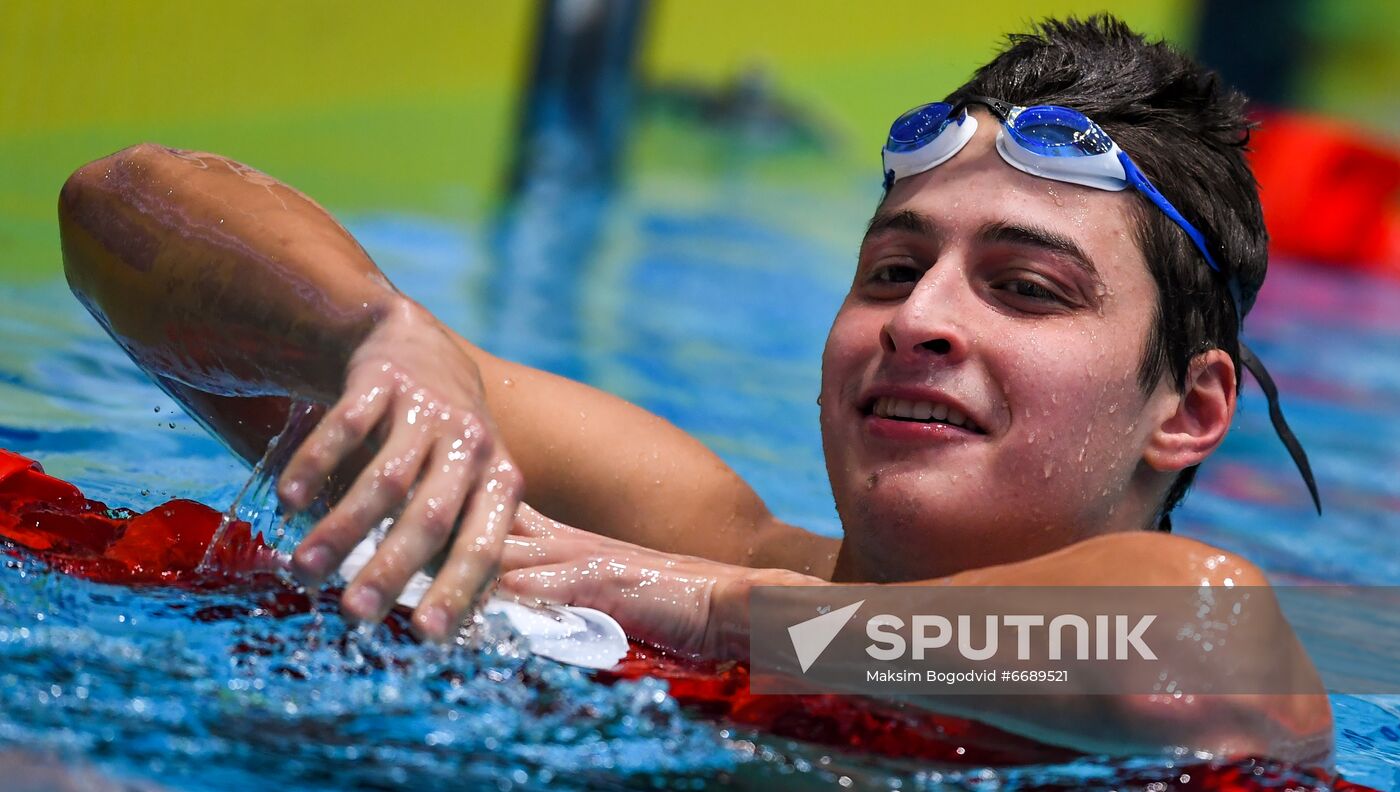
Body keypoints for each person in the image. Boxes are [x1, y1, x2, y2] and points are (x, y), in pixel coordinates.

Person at [57, 16, 1330, 760]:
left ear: (1190, 410)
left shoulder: (689, 571)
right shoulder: (682, 517)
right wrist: (370, 338)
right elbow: (115, 210)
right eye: (891, 270)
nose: (918, 321)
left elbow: (1193, 652)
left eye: (1026, 288)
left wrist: (712, 612)